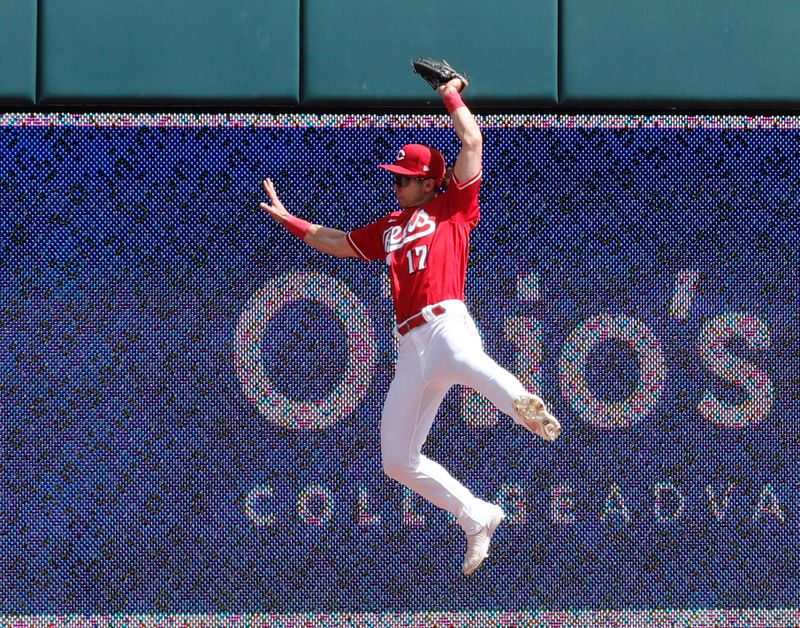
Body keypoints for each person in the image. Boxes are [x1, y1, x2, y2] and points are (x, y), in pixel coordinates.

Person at [259, 76, 561, 576]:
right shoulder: (390, 227)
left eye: (404, 177)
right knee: (397, 460)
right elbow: (336, 242)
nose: (396, 184)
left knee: (467, 362)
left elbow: (472, 140)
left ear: (429, 183)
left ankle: (525, 408)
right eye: (395, 177)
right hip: (409, 348)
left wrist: (450, 93)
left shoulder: (453, 208)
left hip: (445, 323)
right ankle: (476, 514)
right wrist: (290, 219)